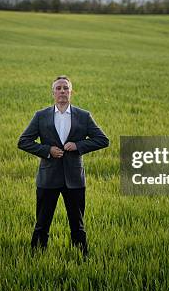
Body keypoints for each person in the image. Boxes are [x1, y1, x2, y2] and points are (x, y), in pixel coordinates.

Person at [18, 76, 109, 257]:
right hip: (48, 178)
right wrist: (47, 150)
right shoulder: (41, 116)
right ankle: (36, 257)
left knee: (78, 224)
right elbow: (23, 141)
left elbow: (103, 140)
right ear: (53, 93)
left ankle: (82, 258)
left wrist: (78, 146)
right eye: (58, 88)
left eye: (65, 88)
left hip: (74, 180)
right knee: (42, 223)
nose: (62, 91)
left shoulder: (84, 116)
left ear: (71, 92)